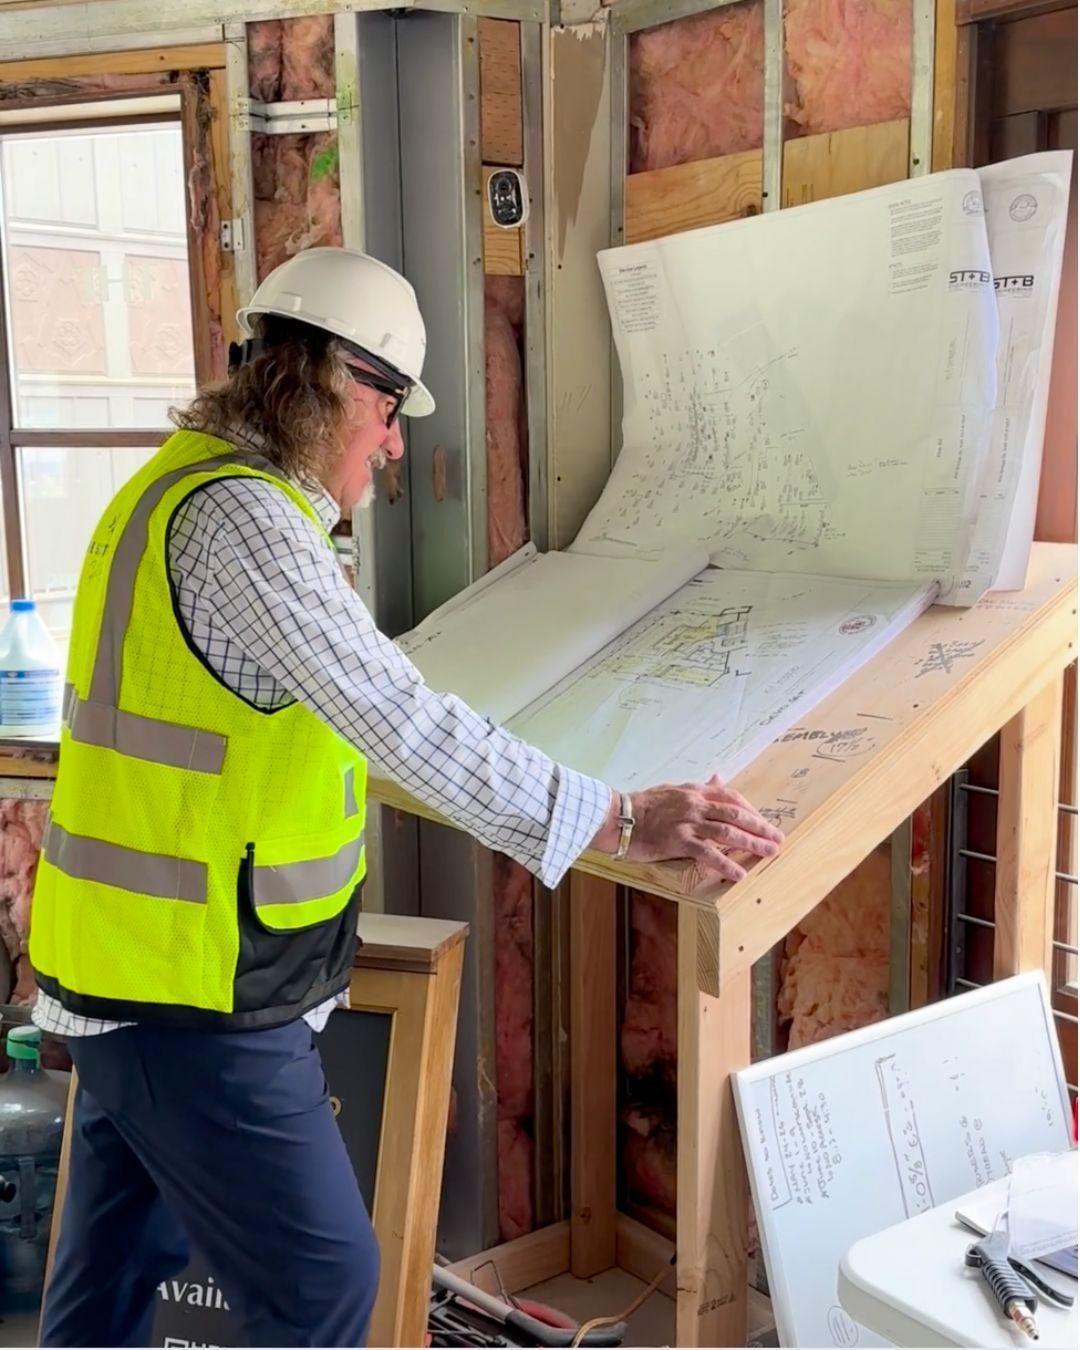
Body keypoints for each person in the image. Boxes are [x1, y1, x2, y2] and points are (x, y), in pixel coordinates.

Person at [29, 247, 784, 1348]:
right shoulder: (245, 524)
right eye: (388, 406)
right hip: (188, 998)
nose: (393, 443)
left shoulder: (175, 484)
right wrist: (619, 817)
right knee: (327, 1281)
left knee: (106, 1282)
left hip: (129, 968)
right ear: (329, 376)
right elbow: (401, 723)